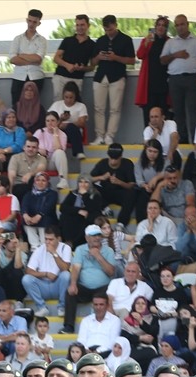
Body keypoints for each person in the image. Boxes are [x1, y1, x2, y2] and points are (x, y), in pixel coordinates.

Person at [160, 15, 196, 146]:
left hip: (192, 78)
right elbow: (162, 60)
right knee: (178, 111)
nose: (180, 27)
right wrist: (176, 55)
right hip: (175, 80)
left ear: (188, 24)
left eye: (182, 24)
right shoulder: (170, 42)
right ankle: (183, 141)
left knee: (193, 110)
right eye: (177, 25)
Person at [90, 15, 137, 145]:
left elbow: (132, 60)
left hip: (117, 76)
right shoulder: (100, 40)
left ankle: (109, 135)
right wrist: (99, 57)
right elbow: (92, 62)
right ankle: (99, 135)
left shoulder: (126, 39)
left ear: (116, 25)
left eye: (110, 29)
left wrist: (115, 57)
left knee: (115, 108)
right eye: (106, 30)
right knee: (98, 108)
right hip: (100, 76)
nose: (108, 32)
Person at [63, 226, 118, 334]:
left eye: (98, 235)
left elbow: (111, 272)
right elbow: (76, 268)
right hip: (85, 287)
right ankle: (69, 326)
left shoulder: (108, 250)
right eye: (93, 235)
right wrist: (73, 284)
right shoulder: (80, 249)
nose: (97, 238)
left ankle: (104, 328)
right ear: (87, 237)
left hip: (103, 288)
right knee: (70, 292)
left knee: (109, 291)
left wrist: (98, 256)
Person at [7, 9, 46, 106]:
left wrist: (21, 55)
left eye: (34, 22)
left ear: (39, 23)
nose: (31, 24)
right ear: (26, 20)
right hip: (19, 76)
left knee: (34, 105)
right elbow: (13, 59)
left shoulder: (42, 40)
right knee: (16, 104)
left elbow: (38, 58)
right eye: (30, 21)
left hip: (36, 76)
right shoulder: (17, 39)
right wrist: (32, 60)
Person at [89, 144, 135, 224]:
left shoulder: (127, 163)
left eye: (116, 159)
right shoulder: (102, 163)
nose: (113, 161)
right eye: (111, 158)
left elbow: (131, 185)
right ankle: (105, 208)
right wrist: (101, 177)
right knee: (90, 187)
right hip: (105, 192)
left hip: (121, 193)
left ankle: (121, 223)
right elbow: (88, 179)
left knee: (133, 193)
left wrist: (119, 182)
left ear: (121, 157)